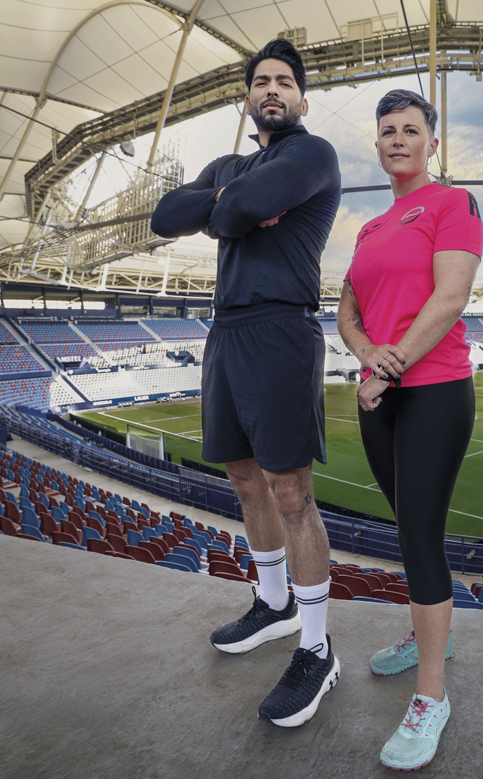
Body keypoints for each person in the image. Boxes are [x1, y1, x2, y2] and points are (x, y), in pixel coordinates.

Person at [150, 38, 341, 728]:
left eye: (284, 81)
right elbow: (167, 215)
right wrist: (230, 198)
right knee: (242, 477)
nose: (272, 89)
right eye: (261, 81)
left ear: (302, 99)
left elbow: (224, 213)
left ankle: (318, 649)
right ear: (246, 98)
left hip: (281, 330)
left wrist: (223, 205)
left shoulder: (312, 153)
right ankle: (274, 602)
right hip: (224, 331)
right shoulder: (233, 163)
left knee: (291, 490)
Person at [336, 89, 483, 770]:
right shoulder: (369, 229)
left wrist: (386, 370)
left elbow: (450, 298)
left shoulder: (453, 204)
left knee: (420, 533)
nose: (398, 139)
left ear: (432, 143)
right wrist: (365, 352)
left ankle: (432, 695)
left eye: (411, 130)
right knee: (408, 529)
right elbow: (345, 306)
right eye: (388, 130)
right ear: (379, 144)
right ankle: (434, 637)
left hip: (433, 389)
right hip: (379, 390)